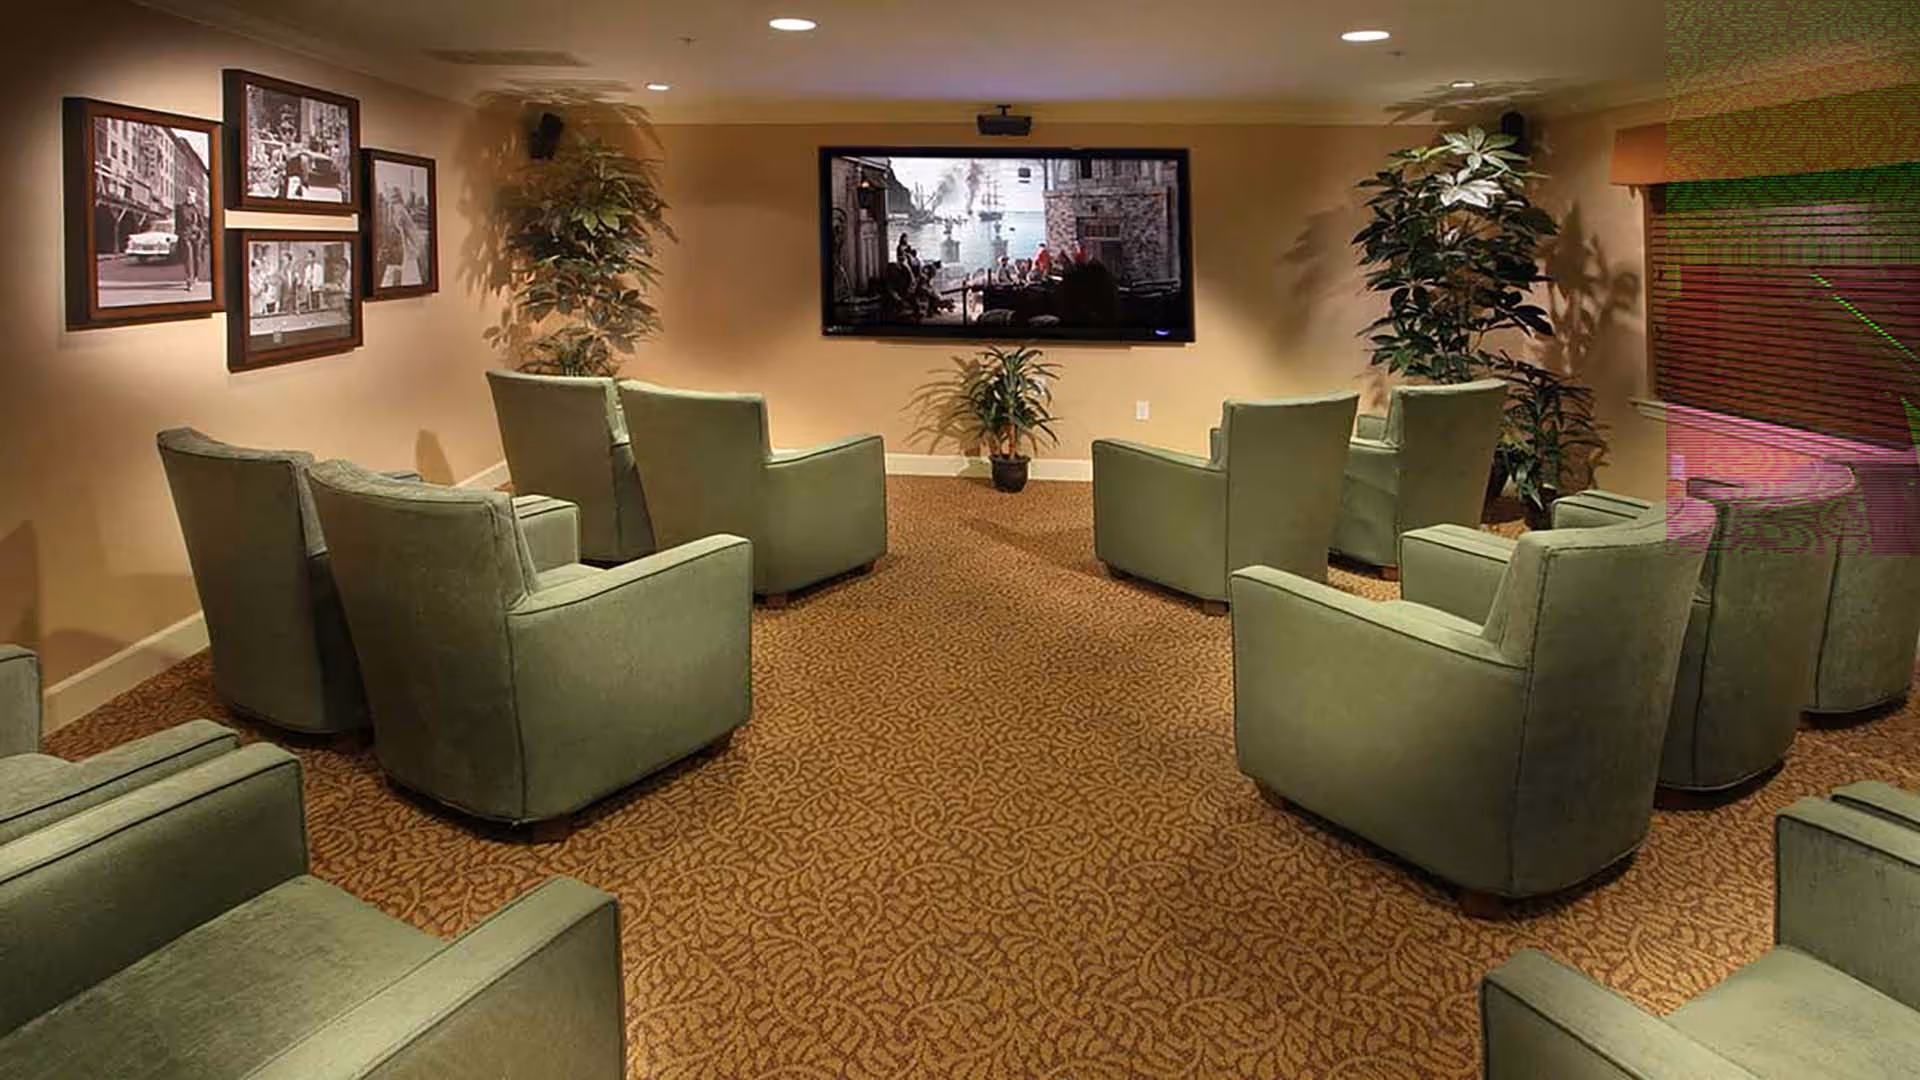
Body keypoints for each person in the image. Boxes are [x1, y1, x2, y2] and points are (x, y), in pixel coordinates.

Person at [176, 195, 206, 291]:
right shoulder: (181, 208)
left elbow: (202, 223)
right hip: (186, 235)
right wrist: (180, 234)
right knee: (188, 257)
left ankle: (196, 276)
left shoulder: (197, 208)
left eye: (191, 195)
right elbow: (178, 223)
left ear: (194, 197)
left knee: (197, 257)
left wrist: (201, 234)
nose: (189, 197)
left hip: (197, 235)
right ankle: (189, 281)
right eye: (188, 195)